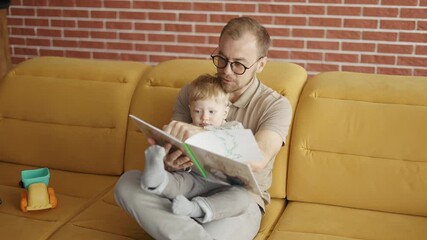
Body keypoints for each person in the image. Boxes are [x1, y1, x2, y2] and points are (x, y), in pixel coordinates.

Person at [115, 16, 292, 240]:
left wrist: (203, 134)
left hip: (237, 201)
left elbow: (258, 158)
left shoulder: (276, 105)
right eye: (221, 59)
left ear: (261, 64)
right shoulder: (193, 93)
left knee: (241, 202)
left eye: (238, 64)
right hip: (189, 186)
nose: (226, 71)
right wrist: (169, 161)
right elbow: (174, 143)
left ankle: (181, 228)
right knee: (127, 183)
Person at [141, 73, 252, 224]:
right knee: (176, 183)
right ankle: (156, 177)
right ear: (190, 110)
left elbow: (240, 149)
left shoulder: (233, 128)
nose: (204, 118)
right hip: (192, 179)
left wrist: (206, 134)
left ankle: (194, 209)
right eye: (197, 111)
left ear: (225, 112)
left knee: (242, 199)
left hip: (223, 185)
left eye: (212, 112)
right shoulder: (186, 129)